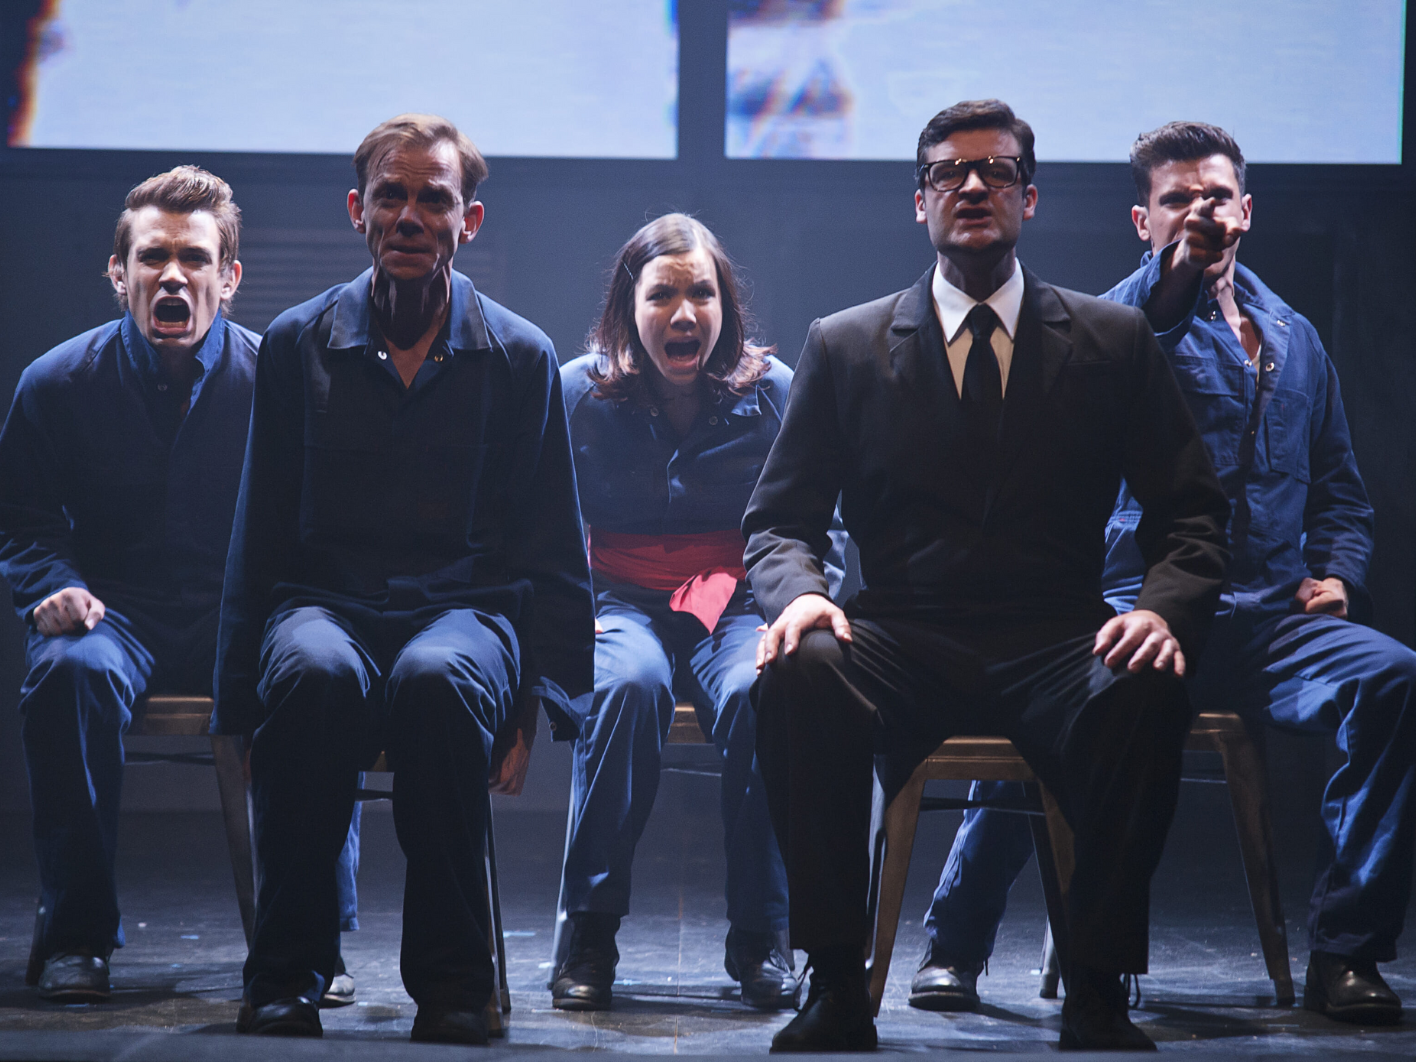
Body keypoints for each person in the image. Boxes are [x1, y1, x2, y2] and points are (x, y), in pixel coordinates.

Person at [745, 99, 1231, 1052]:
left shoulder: (1112, 340)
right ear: (919, 200)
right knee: (800, 668)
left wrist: (1162, 610)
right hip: (901, 633)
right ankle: (835, 981)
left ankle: (1099, 988)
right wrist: (800, 593)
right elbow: (780, 520)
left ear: (1029, 198)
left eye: (997, 172)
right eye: (949, 173)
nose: (972, 186)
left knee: (1146, 683)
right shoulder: (845, 344)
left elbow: (1192, 513)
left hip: (1058, 636)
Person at [917, 121, 1416, 1027]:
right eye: (1176, 199)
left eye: (1215, 196)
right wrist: (1180, 272)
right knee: (1053, 702)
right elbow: (1142, 322)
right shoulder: (1109, 327)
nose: (1198, 211)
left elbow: (1340, 489)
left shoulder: (1296, 339)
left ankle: (1348, 952)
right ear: (1141, 220)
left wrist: (1337, 576)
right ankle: (956, 941)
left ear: (1247, 211)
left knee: (1393, 679)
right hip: (1140, 609)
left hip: (1270, 623)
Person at [214, 113, 594, 1044]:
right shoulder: (298, 343)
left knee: (434, 679)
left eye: (435, 199)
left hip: (466, 612)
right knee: (314, 672)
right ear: (358, 210)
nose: (411, 216)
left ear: (470, 220)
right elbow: (258, 534)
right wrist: (238, 707)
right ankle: (287, 976)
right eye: (392, 195)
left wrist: (537, 703)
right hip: (324, 605)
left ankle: (456, 985)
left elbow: (550, 543)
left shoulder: (519, 355)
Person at [553, 214, 833, 1012]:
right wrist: (567, 614)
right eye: (662, 296)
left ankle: (761, 936)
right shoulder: (575, 394)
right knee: (627, 687)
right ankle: (589, 933)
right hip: (618, 601)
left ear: (725, 305)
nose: (684, 314)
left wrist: (799, 603)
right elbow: (537, 525)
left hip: (737, 603)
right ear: (628, 308)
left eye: (701, 294)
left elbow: (821, 523)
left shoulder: (774, 392)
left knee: (760, 692)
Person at [0, 167, 256, 1002]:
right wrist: (53, 585)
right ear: (120, 273)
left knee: (316, 672)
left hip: (235, 615)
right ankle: (75, 938)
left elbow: (312, 525)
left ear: (228, 278)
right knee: (67, 672)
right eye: (153, 257)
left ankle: (306, 933)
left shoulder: (276, 381)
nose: (173, 275)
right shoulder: (57, 382)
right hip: (117, 615)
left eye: (194, 258)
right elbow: (21, 519)